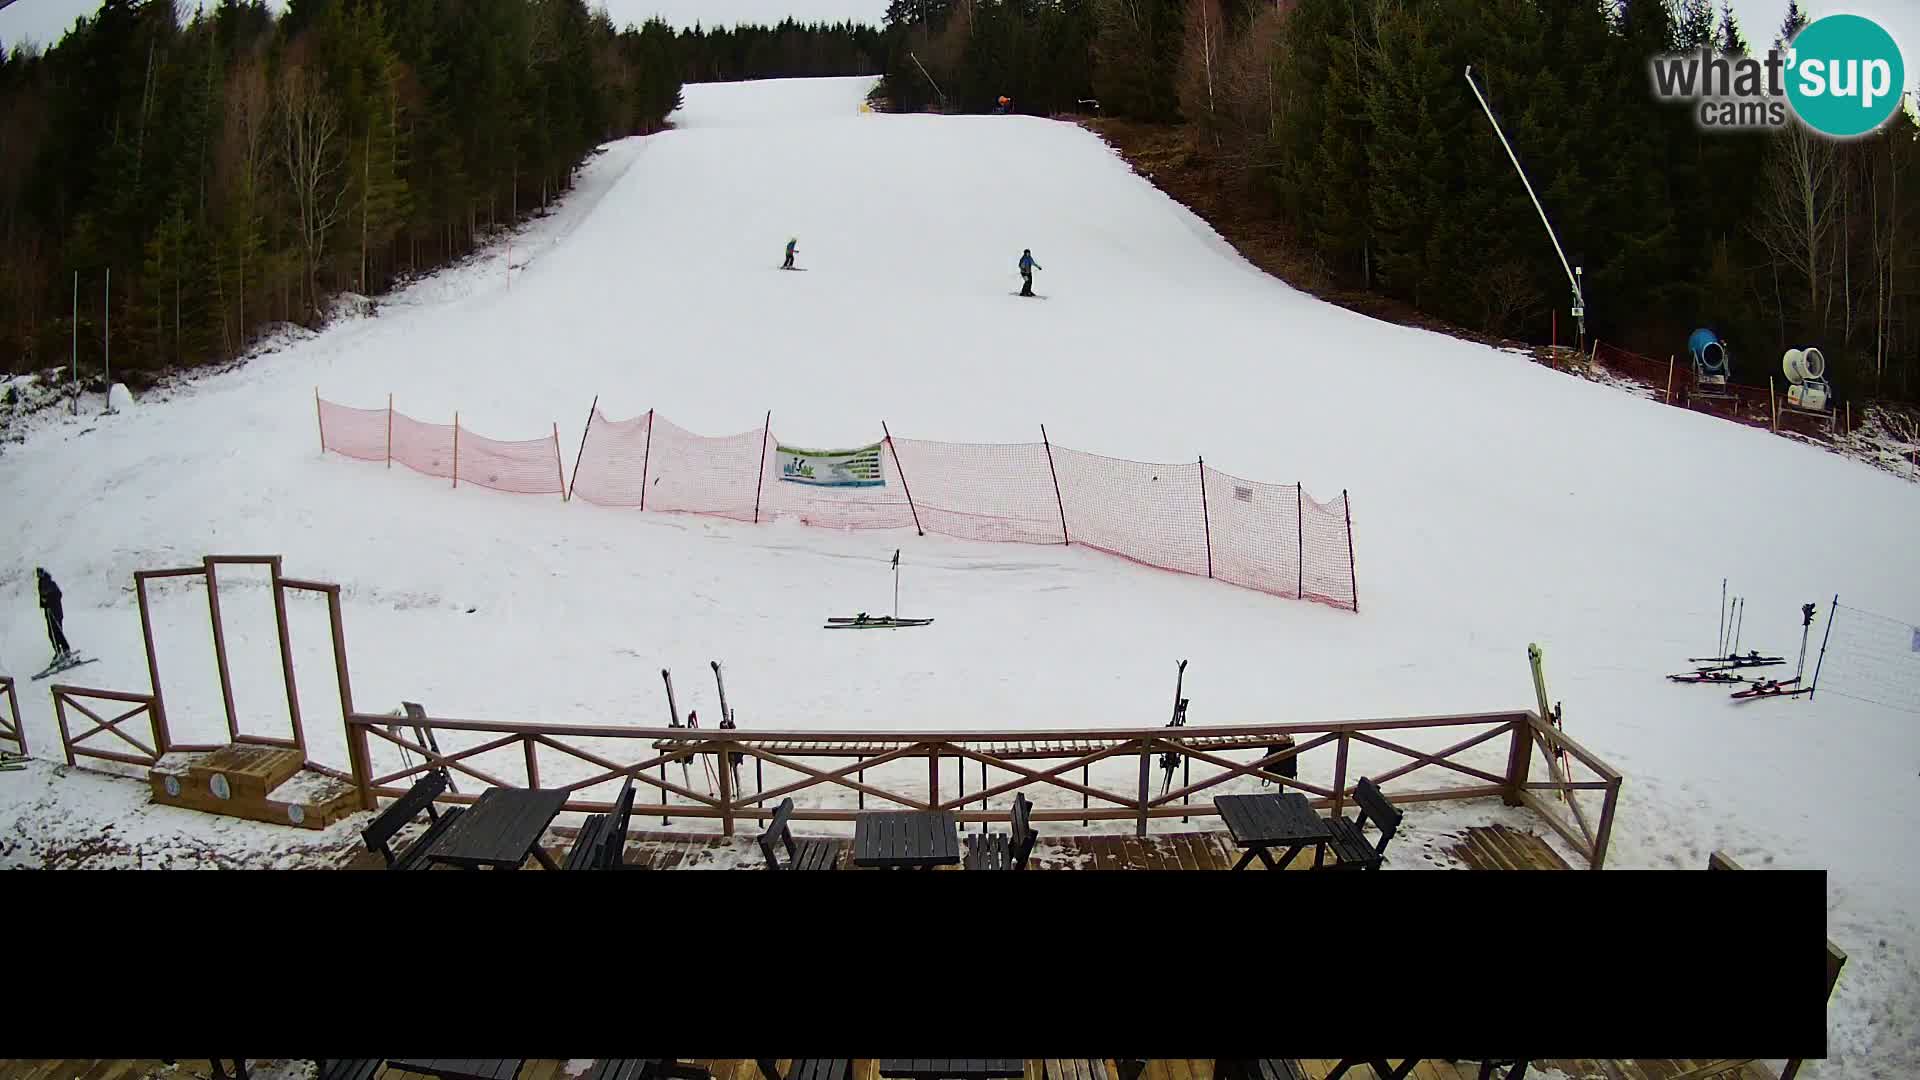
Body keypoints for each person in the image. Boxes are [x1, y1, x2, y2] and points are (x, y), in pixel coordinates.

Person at [36, 567, 71, 662]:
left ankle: (65, 650)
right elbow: (43, 598)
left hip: (56, 612)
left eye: (40, 572)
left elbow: (58, 595)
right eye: (37, 573)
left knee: (57, 632)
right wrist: (44, 603)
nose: (38, 574)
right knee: (52, 634)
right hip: (49, 612)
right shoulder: (41, 583)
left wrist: (49, 600)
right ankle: (59, 651)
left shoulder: (50, 583)